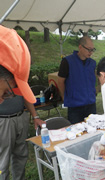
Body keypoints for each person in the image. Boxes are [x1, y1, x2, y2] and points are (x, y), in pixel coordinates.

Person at [0, 25, 44, 180]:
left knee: (21, 155)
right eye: (7, 92)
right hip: (3, 122)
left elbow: (26, 95)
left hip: (20, 117)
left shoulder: (13, 78)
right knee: (2, 162)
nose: (3, 99)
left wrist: (35, 115)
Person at [58, 36, 97, 124]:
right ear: (80, 47)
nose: (90, 52)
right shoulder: (67, 61)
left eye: (92, 50)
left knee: (93, 129)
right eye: (88, 49)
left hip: (91, 104)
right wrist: (64, 97)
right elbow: (60, 81)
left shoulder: (92, 63)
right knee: (76, 132)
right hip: (75, 106)